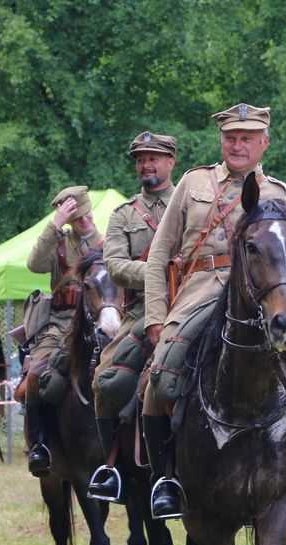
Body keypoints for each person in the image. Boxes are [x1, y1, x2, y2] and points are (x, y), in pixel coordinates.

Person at [141, 103, 286, 519]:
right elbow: (159, 257)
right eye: (231, 137)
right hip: (202, 291)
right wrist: (155, 317)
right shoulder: (193, 183)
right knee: (161, 375)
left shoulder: (281, 193)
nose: (237, 145)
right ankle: (165, 478)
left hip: (267, 298)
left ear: (264, 142)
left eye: (247, 138)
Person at [87, 131, 178, 503]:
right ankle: (113, 469)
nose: (146, 164)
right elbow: (114, 265)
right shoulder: (123, 215)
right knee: (104, 380)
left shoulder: (191, 205)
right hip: (141, 311)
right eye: (141, 159)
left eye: (153, 158)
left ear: (171, 162)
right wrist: (161, 273)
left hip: (193, 303)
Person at [25, 185, 104, 475]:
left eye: (86, 214)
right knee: (35, 373)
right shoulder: (59, 244)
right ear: (68, 219)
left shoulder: (108, 243)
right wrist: (54, 224)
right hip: (60, 325)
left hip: (99, 323)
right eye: (77, 217)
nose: (84, 221)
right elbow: (33, 264)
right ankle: (39, 446)